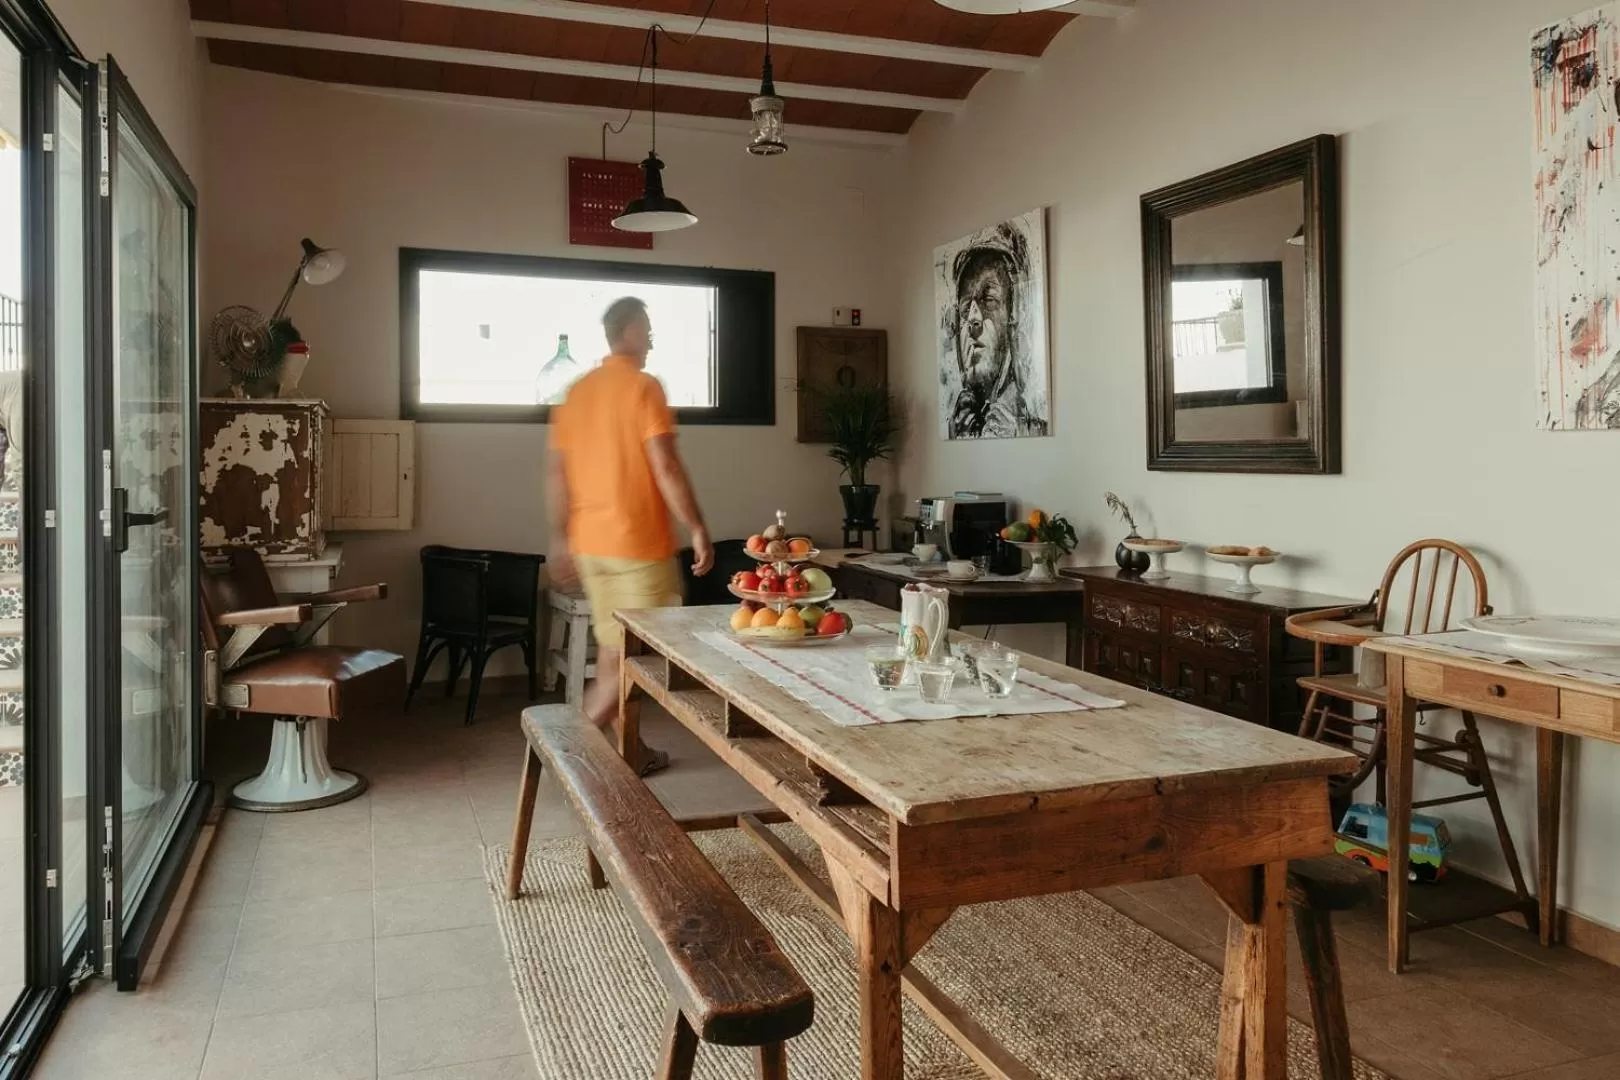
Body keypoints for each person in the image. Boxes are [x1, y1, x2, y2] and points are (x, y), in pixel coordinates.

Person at [546, 296, 714, 775]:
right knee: (627, 662)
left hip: (590, 546)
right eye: (648, 329)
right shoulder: (643, 387)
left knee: (611, 653)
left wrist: (559, 537)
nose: (652, 339)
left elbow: (557, 474)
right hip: (635, 547)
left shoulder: (578, 392)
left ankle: (632, 753)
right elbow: (665, 465)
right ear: (632, 331)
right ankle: (561, 754)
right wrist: (697, 527)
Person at [946, 222, 1049, 439]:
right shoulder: (957, 425)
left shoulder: (1034, 428)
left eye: (989, 300)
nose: (973, 318)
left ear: (1014, 316)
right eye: (966, 306)